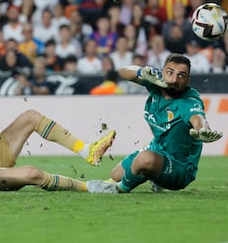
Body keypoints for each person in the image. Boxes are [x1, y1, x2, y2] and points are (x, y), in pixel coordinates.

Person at [86, 53, 223, 194]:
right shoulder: (155, 82)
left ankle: (119, 189)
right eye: (170, 72)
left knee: (145, 158)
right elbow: (123, 72)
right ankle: (156, 177)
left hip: (180, 168)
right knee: (116, 173)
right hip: (157, 149)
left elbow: (198, 118)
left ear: (188, 80)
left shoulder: (189, 101)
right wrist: (141, 72)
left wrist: (202, 130)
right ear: (163, 72)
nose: (175, 79)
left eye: (181, 75)